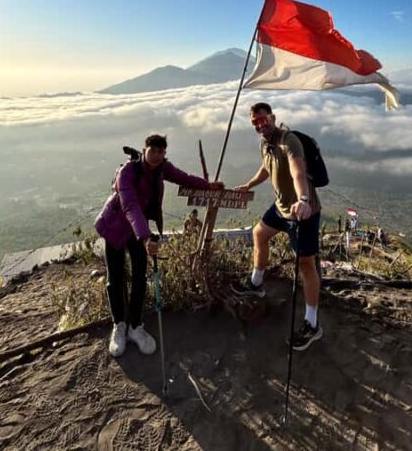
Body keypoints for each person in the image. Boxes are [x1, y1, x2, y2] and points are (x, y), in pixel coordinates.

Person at [95, 134, 223, 357]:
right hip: (115, 227)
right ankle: (119, 325)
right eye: (152, 151)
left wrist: (208, 186)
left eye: (161, 152)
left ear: (164, 153)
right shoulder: (128, 172)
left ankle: (136, 326)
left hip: (137, 230)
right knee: (115, 278)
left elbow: (183, 178)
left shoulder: (162, 168)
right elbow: (130, 206)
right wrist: (146, 238)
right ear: (144, 150)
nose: (156, 156)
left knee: (139, 277)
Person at [233, 103, 322, 351]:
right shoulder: (265, 143)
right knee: (259, 234)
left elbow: (298, 173)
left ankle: (312, 324)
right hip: (282, 208)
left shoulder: (288, 141)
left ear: (272, 117)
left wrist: (303, 200)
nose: (260, 125)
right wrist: (249, 185)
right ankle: (256, 284)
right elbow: (266, 167)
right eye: (255, 122)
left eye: (263, 119)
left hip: (303, 212)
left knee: (306, 264)